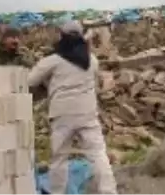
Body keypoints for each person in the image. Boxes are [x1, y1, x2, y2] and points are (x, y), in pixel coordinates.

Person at [28, 21, 116, 195]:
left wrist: (48, 82)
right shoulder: (92, 60)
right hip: (88, 114)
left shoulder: (53, 60)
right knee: (98, 155)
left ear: (62, 36)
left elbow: (30, 81)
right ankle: (109, 192)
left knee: (59, 159)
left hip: (62, 115)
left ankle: (57, 192)